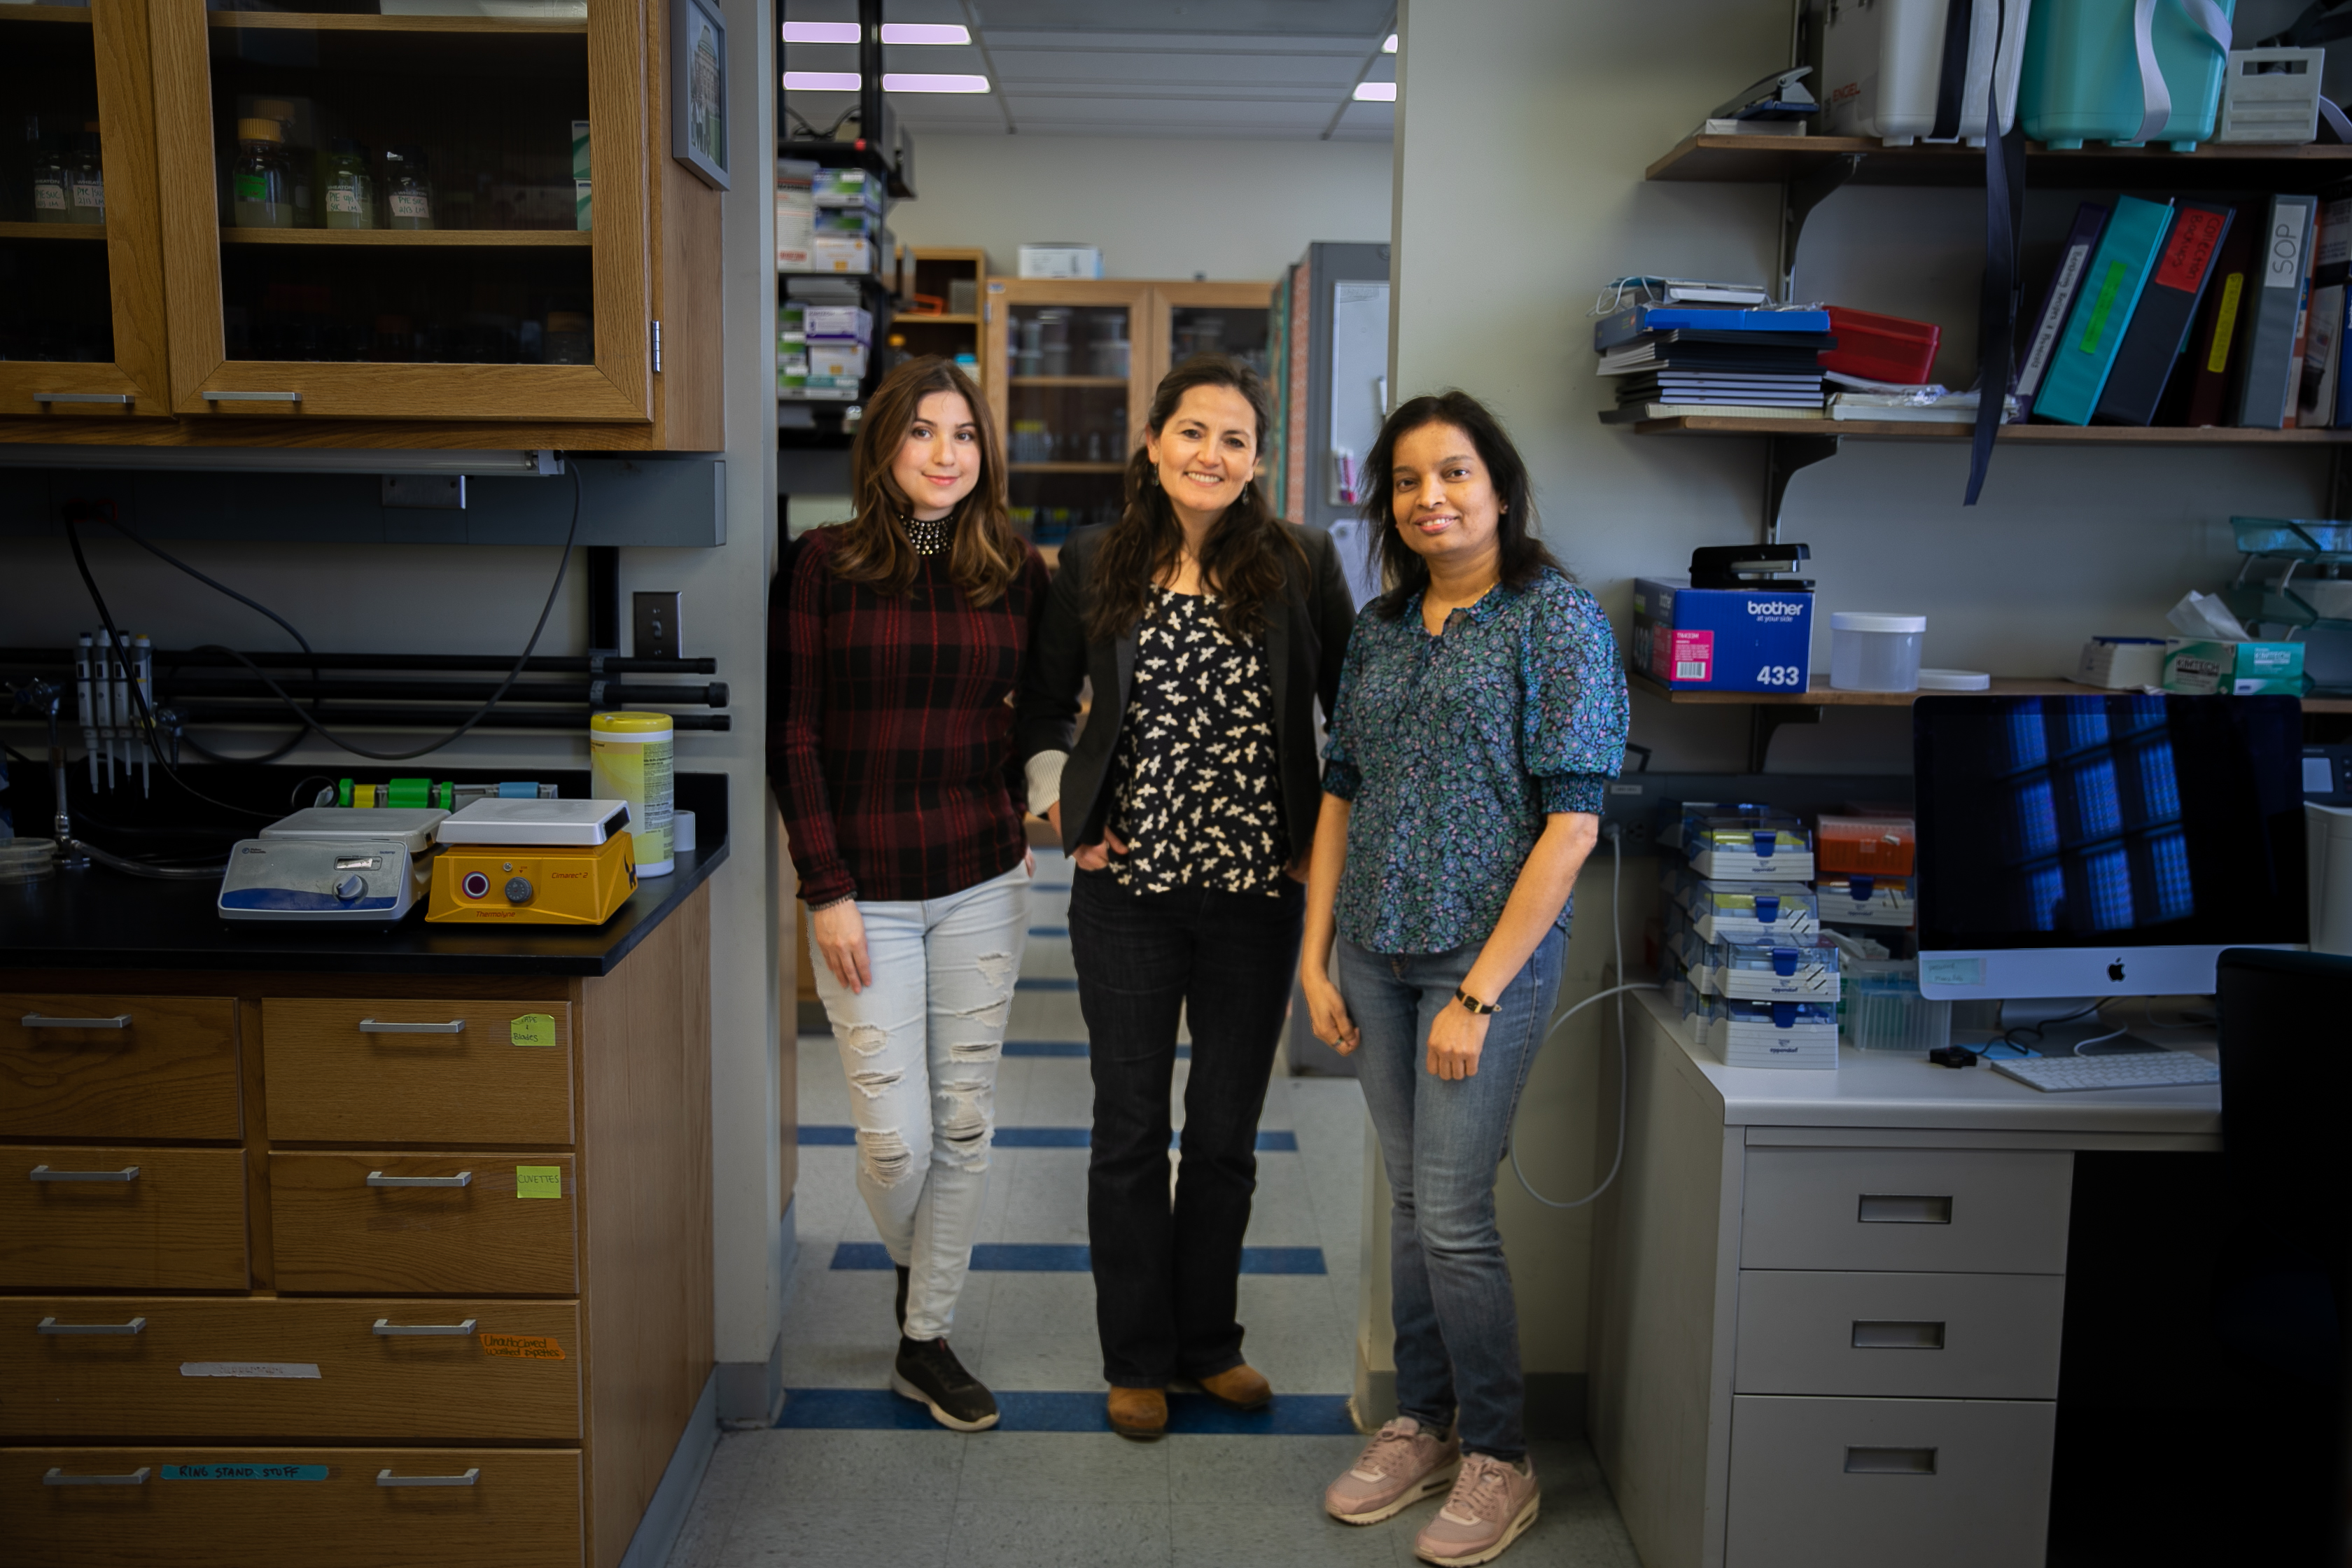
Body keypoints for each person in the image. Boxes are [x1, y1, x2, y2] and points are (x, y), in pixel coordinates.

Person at [1299, 391, 1628, 1566]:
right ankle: (1423, 1424)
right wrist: (1314, 953)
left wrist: (1480, 993)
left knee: (1452, 1211)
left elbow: (1574, 827)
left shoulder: (1555, 622)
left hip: (1479, 962)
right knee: (1407, 1202)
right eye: (1405, 481)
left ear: (1499, 486)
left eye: (1453, 474)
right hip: (1373, 954)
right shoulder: (1381, 628)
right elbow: (1340, 790)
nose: (1429, 498)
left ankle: (1501, 1454)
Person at [1015, 354, 1357, 1441]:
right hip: (1129, 897)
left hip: (1260, 896)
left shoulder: (1301, 560)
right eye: (1193, 432)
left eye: (1235, 439)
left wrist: (1324, 846)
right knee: (1127, 1132)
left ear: (1258, 460)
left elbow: (1357, 713)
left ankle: (1210, 1345)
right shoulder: (1095, 559)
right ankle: (1137, 1358)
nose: (1212, 454)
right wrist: (1068, 809)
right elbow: (1041, 712)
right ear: (1156, 441)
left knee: (1222, 1135)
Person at [772, 356, 1048, 1433]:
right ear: (885, 448)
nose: (946, 455)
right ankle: (917, 1260)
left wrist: (1033, 804)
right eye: (925, 433)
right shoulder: (822, 565)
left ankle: (923, 1338)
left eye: (965, 436)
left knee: (964, 1121)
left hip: (980, 874)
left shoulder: (1016, 570)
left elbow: (1044, 714)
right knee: (896, 1140)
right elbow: (794, 731)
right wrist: (824, 886)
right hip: (864, 889)